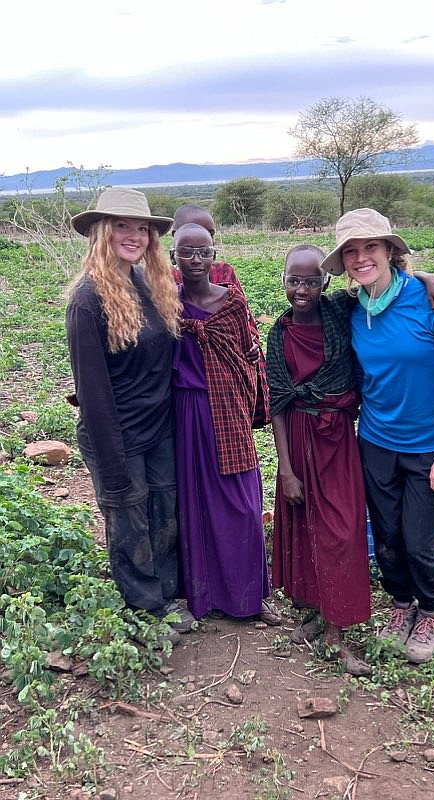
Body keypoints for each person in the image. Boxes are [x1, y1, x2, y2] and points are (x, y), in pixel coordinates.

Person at [321, 208, 434, 664]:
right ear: (344, 262)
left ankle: (430, 609)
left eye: (371, 247)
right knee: (385, 535)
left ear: (390, 251)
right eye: (351, 251)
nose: (362, 257)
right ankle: (401, 603)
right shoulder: (352, 308)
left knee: (420, 539)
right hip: (376, 442)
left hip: (428, 449)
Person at [66, 187, 193, 643]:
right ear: (102, 231)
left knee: (164, 514)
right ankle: (144, 610)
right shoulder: (87, 299)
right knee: (129, 521)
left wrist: (421, 279)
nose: (135, 236)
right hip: (115, 434)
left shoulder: (147, 281)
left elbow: (212, 274)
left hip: (158, 428)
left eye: (142, 228)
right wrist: (113, 465)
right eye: (123, 226)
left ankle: (164, 596)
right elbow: (93, 394)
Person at [266, 244, 372, 676]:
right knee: (302, 522)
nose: (302, 288)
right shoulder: (280, 333)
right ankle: (314, 614)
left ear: (326, 282)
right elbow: (277, 403)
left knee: (342, 529)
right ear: (284, 281)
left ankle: (337, 630)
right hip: (297, 439)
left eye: (311, 280)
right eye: (294, 280)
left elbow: (382, 285)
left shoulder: (341, 313)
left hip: (337, 441)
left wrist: (428, 278)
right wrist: (286, 469)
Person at [171, 222, 280, 625]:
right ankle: (203, 596)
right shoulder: (166, 303)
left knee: (242, 503)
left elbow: (247, 360)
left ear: (216, 256)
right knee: (196, 501)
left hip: (227, 411)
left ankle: (250, 596)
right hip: (186, 411)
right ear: (173, 257)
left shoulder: (232, 303)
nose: (196, 260)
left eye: (204, 252)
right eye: (187, 252)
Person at [170, 204, 269, 425]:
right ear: (175, 236)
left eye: (210, 234)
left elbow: (245, 321)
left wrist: (251, 344)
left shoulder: (223, 272)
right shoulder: (164, 280)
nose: (197, 256)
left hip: (227, 375)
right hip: (188, 379)